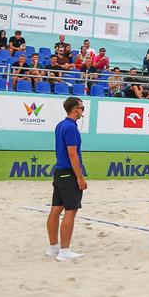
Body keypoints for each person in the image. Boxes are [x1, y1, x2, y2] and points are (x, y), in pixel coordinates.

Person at [48, 97, 87, 261]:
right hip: (68, 173)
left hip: (59, 171)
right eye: (82, 108)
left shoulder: (60, 125)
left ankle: (53, 248)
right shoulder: (70, 127)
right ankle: (64, 251)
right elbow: (72, 154)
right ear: (74, 109)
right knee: (71, 210)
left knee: (56, 209)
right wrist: (80, 177)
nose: (83, 111)